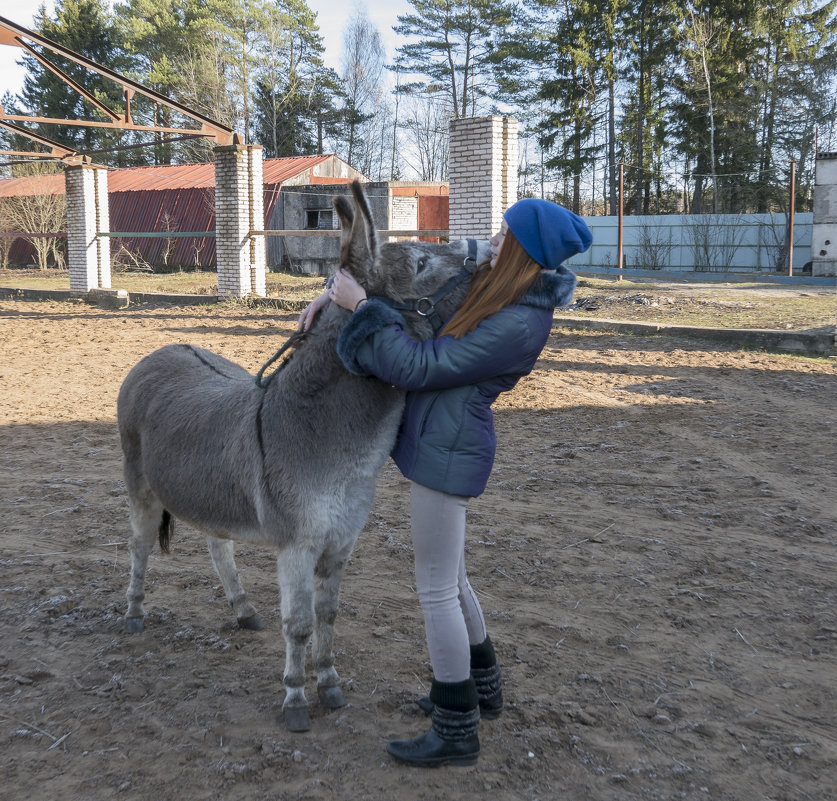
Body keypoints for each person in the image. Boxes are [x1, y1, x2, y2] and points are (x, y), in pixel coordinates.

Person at [299, 198, 592, 766]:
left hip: (449, 453)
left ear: (526, 251)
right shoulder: (504, 281)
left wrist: (360, 311)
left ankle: (455, 728)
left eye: (507, 235)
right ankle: (479, 692)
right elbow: (426, 261)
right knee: (453, 582)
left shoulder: (520, 322)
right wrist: (335, 295)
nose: (494, 240)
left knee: (435, 590)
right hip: (443, 443)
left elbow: (418, 367)